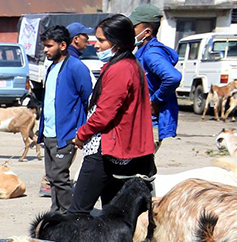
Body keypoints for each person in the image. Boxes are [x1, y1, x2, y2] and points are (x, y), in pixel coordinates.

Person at [70, 14, 156, 217]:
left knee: (77, 213)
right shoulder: (129, 64)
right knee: (114, 215)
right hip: (120, 149)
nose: (96, 45)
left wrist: (81, 135)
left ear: (116, 42)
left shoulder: (121, 69)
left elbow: (103, 114)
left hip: (106, 148)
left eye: (101, 40)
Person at [38, 25, 93, 213]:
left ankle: (69, 217)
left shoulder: (76, 67)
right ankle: (56, 215)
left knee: (61, 177)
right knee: (52, 177)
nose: (45, 50)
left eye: (49, 46)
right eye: (44, 46)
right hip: (49, 133)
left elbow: (88, 97)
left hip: (66, 134)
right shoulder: (52, 67)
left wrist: (80, 130)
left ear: (62, 45)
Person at [129, 4, 180, 148]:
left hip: (150, 125)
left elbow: (173, 77)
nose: (129, 32)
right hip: (143, 122)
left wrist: (155, 100)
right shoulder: (143, 52)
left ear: (147, 32)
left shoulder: (152, 54)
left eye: (133, 28)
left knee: (138, 169)